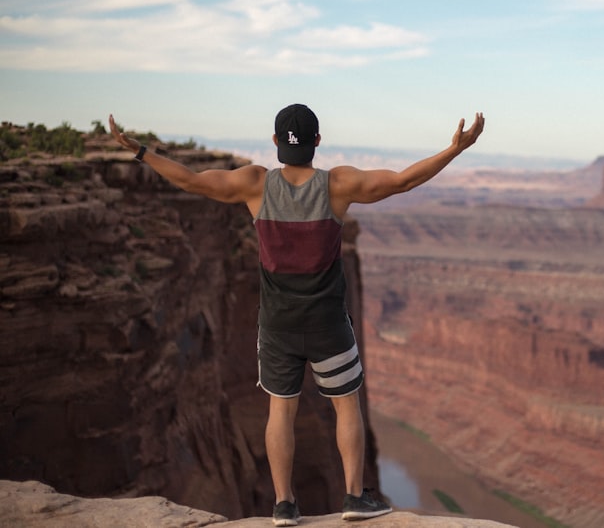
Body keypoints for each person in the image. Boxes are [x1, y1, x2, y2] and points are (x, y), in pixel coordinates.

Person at [109, 104, 485, 525]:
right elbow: (402, 181)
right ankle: (354, 497)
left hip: (277, 327)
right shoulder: (337, 185)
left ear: (274, 142)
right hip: (328, 326)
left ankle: (284, 505)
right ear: (317, 142)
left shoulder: (254, 184)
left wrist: (141, 152)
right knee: (346, 406)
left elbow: (192, 181)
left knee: (280, 411)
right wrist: (454, 149)